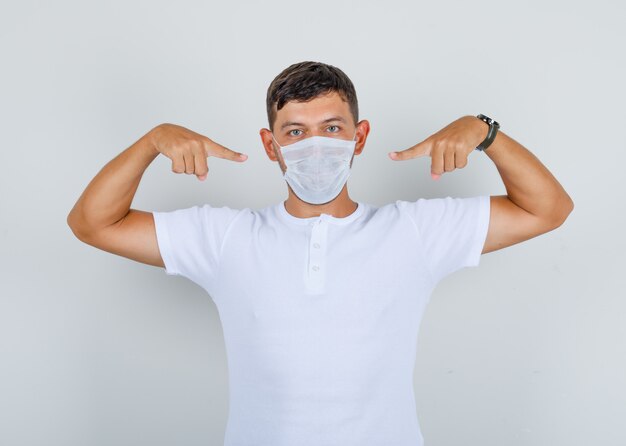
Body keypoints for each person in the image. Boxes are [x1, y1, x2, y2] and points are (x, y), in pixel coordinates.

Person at [67, 61, 574, 446]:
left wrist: (485, 132)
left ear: (360, 137)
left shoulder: (413, 231)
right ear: (271, 146)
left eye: (332, 128)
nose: (315, 146)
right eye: (295, 132)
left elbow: (547, 209)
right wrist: (152, 141)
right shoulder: (225, 238)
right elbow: (92, 223)